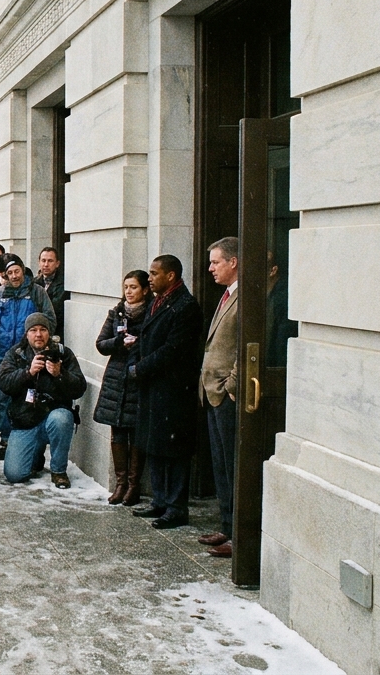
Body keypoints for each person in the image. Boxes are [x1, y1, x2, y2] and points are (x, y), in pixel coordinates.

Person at [129, 255, 203, 530]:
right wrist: (137, 362)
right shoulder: (157, 301)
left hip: (173, 388)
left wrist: (141, 367)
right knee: (154, 444)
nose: (149, 278)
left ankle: (176, 506)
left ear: (170, 275)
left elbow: (173, 349)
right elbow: (145, 338)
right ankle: (159, 500)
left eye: (154, 273)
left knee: (173, 449)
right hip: (153, 386)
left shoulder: (185, 306)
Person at [0, 313, 86, 489]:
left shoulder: (63, 353)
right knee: (14, 475)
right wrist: (27, 373)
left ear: (49, 333)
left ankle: (59, 471)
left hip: (52, 417)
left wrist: (60, 374)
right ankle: (35, 457)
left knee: (62, 418)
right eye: (33, 330)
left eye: (43, 330)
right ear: (27, 334)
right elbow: (4, 384)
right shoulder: (16, 354)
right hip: (25, 419)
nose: (38, 334)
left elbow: (80, 387)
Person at [93, 270, 151, 506]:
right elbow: (101, 344)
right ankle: (120, 484)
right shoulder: (116, 312)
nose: (128, 291)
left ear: (145, 290)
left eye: (134, 287)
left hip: (138, 376)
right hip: (117, 377)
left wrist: (138, 344)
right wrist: (119, 343)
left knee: (136, 430)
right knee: (117, 430)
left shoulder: (151, 312)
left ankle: (134, 485)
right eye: (126, 286)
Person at [0, 254, 57, 452]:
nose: (14, 276)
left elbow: (50, 319)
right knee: (3, 395)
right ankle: (7, 438)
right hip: (3, 352)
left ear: (22, 270)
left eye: (17, 271)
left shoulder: (37, 292)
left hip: (29, 354)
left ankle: (27, 438)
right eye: (9, 273)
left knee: (27, 394)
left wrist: (37, 340)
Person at [199, 237, 240, 557]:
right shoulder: (226, 296)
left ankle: (239, 533)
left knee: (233, 464)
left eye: (215, 262)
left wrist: (232, 386)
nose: (210, 268)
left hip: (227, 394)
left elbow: (247, 347)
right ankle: (226, 525)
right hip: (211, 392)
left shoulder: (246, 297)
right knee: (220, 465)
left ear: (233, 262)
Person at [32, 247, 67, 327]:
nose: (46, 264)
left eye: (50, 261)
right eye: (43, 261)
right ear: (39, 262)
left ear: (57, 263)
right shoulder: (33, 283)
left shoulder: (64, 284)